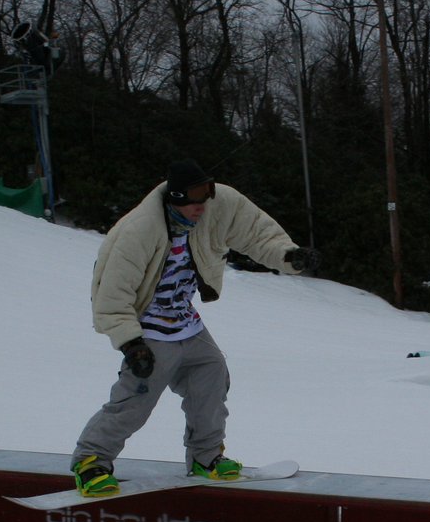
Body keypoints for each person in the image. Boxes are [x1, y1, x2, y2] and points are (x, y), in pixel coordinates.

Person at [69, 159, 317, 497]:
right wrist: (131, 343)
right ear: (174, 198)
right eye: (193, 201)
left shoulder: (218, 205)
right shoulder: (138, 230)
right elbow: (110, 293)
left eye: (206, 197)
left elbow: (257, 231)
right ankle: (91, 462)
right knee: (136, 400)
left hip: (186, 323)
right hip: (150, 331)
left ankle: (206, 458)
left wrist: (289, 256)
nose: (201, 207)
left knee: (212, 379)